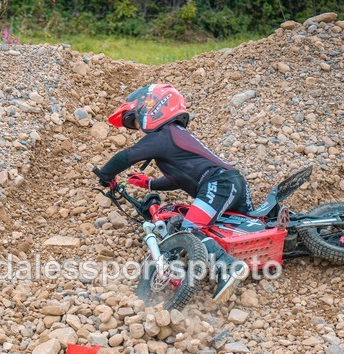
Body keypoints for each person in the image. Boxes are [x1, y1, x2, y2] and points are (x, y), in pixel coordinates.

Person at [93, 83, 252, 305]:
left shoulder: (164, 135)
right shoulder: (175, 137)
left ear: (153, 109)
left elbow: (126, 157)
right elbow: (178, 178)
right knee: (245, 228)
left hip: (220, 183)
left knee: (189, 228)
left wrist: (105, 175)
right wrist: (150, 185)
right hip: (229, 182)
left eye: (137, 121)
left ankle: (229, 266)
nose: (139, 130)